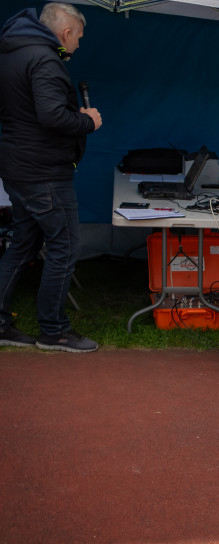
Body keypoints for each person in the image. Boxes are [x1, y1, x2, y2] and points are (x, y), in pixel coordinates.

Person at [0, 3, 102, 352]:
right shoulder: (44, 59)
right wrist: (88, 120)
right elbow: (51, 116)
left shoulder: (12, 52)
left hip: (17, 166)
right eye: (79, 39)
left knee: (23, 245)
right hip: (43, 172)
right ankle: (54, 330)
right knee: (64, 247)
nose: (77, 46)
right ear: (66, 33)